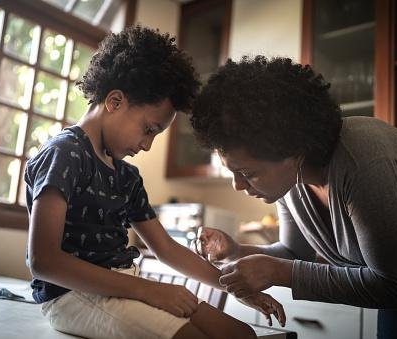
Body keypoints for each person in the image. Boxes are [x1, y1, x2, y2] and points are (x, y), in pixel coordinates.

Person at [24, 26, 284, 339]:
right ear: (115, 102)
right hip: (72, 296)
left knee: (242, 335)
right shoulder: (64, 154)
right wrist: (147, 290)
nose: (147, 145)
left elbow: (166, 249)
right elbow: (43, 261)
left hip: (124, 286)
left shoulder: (126, 176)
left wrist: (233, 287)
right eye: (148, 129)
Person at [189, 55, 397, 339]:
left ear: (294, 151)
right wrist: (238, 251)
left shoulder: (364, 162)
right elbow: (294, 253)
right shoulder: (294, 179)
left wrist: (280, 273)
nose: (237, 186)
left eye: (248, 172)